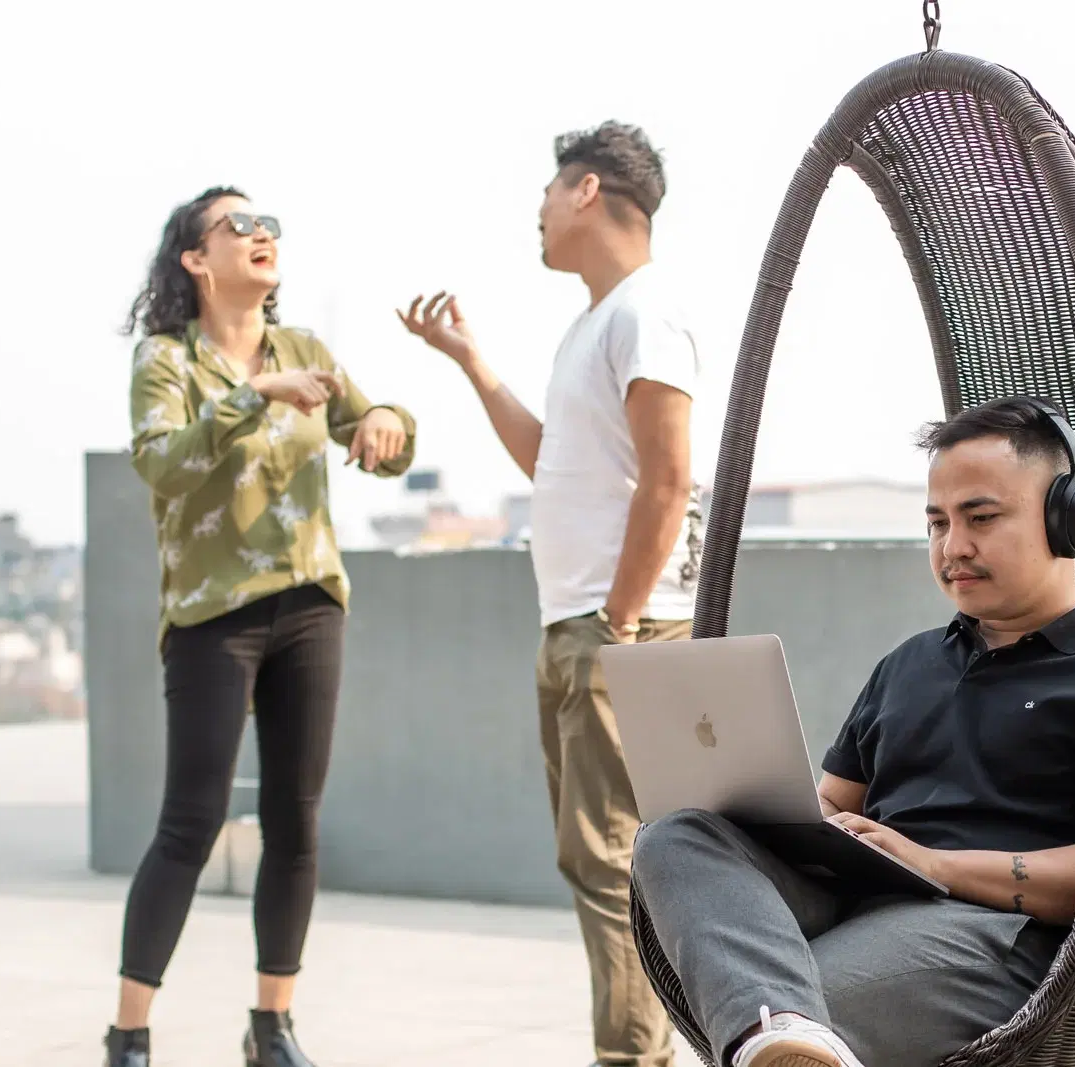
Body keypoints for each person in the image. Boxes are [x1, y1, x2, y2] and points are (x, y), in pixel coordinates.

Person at [629, 396, 1075, 1067]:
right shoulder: (907, 664)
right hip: (859, 898)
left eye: (981, 518)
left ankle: (783, 1027)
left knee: (803, 1007)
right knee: (675, 833)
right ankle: (782, 1029)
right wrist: (800, 822)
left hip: (996, 936)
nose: (953, 546)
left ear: (1068, 518)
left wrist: (933, 864)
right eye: (937, 522)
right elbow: (830, 804)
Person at [398, 120, 701, 1067]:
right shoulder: (596, 324)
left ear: (586, 191)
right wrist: (473, 363)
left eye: (546, 189)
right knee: (603, 863)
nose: (535, 210)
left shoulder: (645, 314)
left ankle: (633, 1057)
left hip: (619, 631)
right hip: (586, 626)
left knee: (614, 865)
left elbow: (668, 477)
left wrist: (615, 620)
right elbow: (552, 462)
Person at [105, 186, 417, 1067]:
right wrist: (253, 395)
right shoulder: (165, 360)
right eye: (237, 225)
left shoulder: (307, 349)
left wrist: (390, 420)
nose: (261, 235)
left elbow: (379, 433)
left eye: (269, 223)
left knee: (296, 821)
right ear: (195, 259)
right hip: (212, 616)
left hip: (310, 602)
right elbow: (161, 464)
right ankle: (129, 1032)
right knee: (190, 821)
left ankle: (271, 1025)